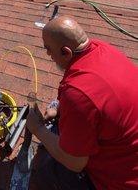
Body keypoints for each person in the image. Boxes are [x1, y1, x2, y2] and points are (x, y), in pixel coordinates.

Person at [26, 16, 138, 190]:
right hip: (127, 149)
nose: (48, 55)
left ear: (66, 52)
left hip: (120, 181)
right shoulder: (102, 48)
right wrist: (60, 107)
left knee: (46, 170)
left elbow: (75, 162)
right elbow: (96, 97)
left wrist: (38, 129)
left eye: (48, 49)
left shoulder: (77, 94)